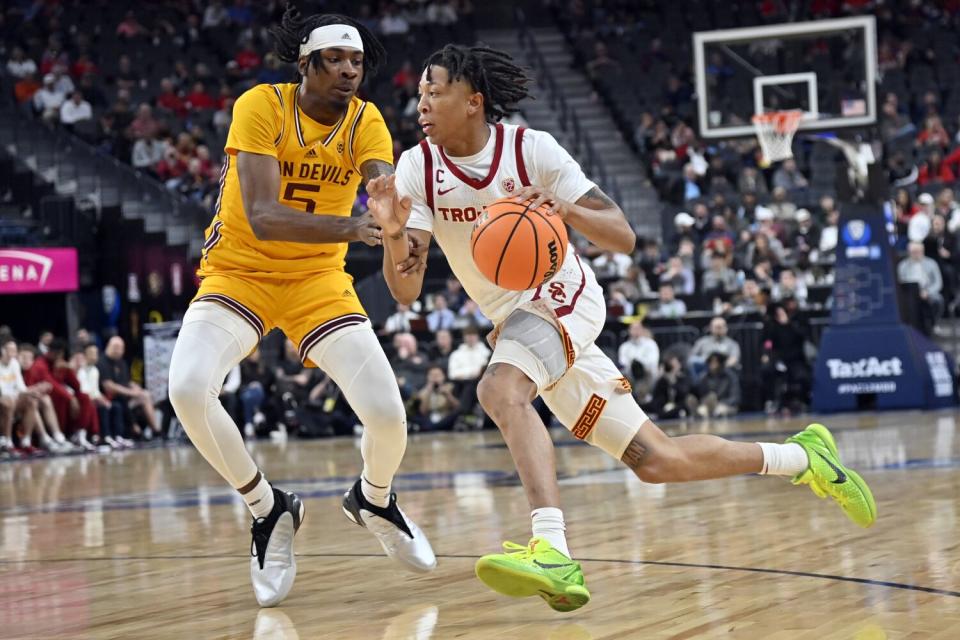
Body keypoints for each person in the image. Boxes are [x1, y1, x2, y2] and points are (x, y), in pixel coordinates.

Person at [368, 43, 876, 612]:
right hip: (516, 322)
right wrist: (391, 234)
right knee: (657, 461)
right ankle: (804, 458)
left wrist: (563, 208)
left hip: (565, 298)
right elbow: (405, 291)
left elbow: (623, 235)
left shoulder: (531, 149)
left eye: (435, 92)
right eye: (420, 94)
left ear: (473, 101)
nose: (422, 104)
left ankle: (552, 549)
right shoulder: (418, 168)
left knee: (498, 389)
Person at [166, 7, 435, 608]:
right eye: (335, 60)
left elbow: (380, 188)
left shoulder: (366, 121)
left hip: (317, 282)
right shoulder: (261, 105)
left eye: (358, 62)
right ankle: (268, 509)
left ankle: (374, 498)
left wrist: (394, 221)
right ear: (305, 64)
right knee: (186, 388)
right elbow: (263, 217)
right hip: (240, 273)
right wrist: (358, 227)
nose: (348, 72)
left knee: (389, 417)